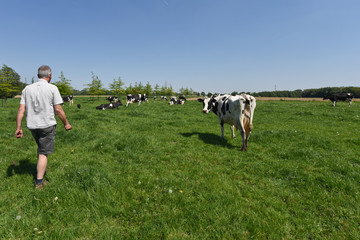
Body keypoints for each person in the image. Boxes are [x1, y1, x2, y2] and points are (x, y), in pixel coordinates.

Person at [15, 65, 72, 189]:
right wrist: (66, 123)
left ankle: (41, 169)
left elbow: (21, 109)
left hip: (32, 125)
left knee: (41, 148)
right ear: (50, 75)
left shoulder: (27, 89)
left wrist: (18, 127)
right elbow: (58, 109)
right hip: (47, 125)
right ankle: (39, 182)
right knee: (43, 152)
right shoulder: (52, 88)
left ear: (38, 76)